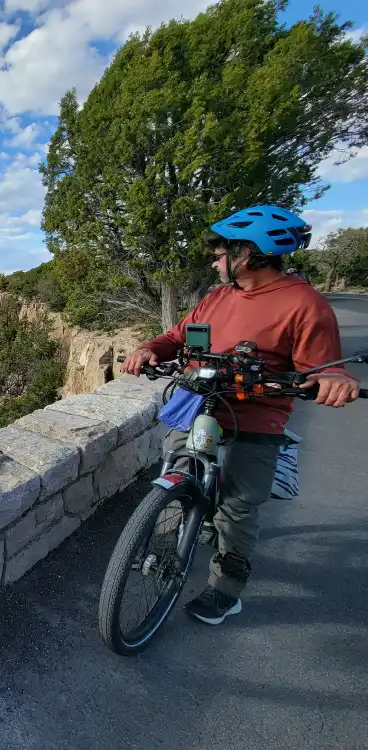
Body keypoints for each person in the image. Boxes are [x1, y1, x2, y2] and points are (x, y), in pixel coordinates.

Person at [120, 205, 361, 625]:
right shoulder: (220, 296)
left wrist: (335, 380)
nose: (214, 260)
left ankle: (225, 591)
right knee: (178, 468)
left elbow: (323, 368)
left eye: (220, 252)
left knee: (236, 507)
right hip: (201, 403)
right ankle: (181, 529)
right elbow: (178, 335)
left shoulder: (305, 304)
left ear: (246, 254)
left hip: (254, 417)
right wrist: (150, 348)